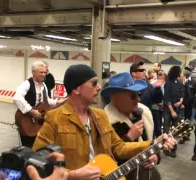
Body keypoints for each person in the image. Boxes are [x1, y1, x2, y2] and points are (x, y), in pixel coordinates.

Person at [32, 64, 177, 180]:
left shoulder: (99, 115)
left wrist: (152, 143)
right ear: (77, 89)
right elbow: (38, 161)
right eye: (94, 83)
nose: (99, 87)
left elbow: (118, 147)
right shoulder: (54, 118)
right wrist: (72, 175)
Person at [102, 72, 160, 180]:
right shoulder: (105, 122)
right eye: (133, 96)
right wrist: (129, 138)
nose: (138, 99)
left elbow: (152, 142)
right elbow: (108, 160)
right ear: (116, 98)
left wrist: (155, 156)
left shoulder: (144, 113)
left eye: (138, 94)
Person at [13, 61, 66, 148]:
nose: (44, 74)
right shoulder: (26, 84)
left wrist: (57, 102)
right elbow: (17, 98)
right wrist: (31, 111)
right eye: (41, 72)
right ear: (33, 72)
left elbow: (46, 100)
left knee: (39, 145)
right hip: (27, 120)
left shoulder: (44, 85)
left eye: (45, 72)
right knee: (28, 146)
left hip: (38, 122)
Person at [163, 65, 185, 157]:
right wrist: (172, 111)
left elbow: (182, 95)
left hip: (177, 109)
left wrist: (180, 102)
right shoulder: (168, 83)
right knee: (167, 130)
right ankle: (166, 148)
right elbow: (166, 99)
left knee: (175, 130)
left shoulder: (179, 82)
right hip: (168, 110)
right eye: (180, 71)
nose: (181, 73)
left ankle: (173, 149)